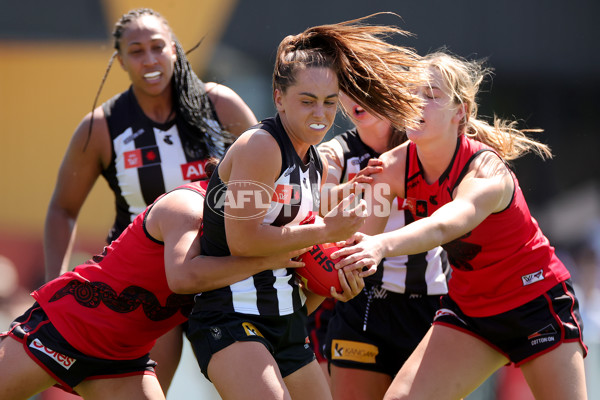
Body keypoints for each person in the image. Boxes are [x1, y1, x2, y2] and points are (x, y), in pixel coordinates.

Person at [185, 14, 426, 400]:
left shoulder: (318, 162)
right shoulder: (261, 146)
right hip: (232, 317)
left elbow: (296, 253)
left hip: (288, 321)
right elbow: (245, 241)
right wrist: (329, 231)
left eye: (330, 102)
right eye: (307, 101)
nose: (321, 114)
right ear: (279, 98)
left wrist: (333, 284)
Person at [332, 51, 588, 400]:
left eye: (432, 95)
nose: (417, 102)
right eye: (411, 93)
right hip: (472, 307)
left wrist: (380, 246)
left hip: (535, 300)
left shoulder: (485, 171)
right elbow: (362, 239)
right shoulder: (391, 167)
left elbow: (442, 227)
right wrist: (334, 265)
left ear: (461, 112)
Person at [42, 8, 257, 392]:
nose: (150, 59)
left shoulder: (219, 105)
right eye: (136, 51)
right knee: (147, 386)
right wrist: (55, 286)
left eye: (157, 47)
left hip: (220, 275)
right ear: (121, 60)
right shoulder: (102, 126)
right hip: (144, 283)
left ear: (174, 49)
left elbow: (269, 173)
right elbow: (63, 209)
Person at [0, 171, 315, 400]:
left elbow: (277, 315)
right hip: (64, 329)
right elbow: (183, 277)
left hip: (122, 362)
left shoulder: (253, 237)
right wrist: (268, 260)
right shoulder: (188, 206)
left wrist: (323, 284)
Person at [308, 92, 449, 399]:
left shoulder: (424, 143)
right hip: (363, 301)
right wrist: (352, 186)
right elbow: (315, 201)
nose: (357, 97)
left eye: (367, 84)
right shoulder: (336, 151)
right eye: (349, 86)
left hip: (431, 303)